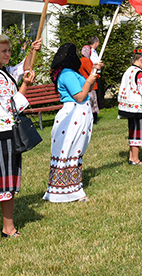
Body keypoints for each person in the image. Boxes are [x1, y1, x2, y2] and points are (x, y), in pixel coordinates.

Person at [0, 33, 38, 244]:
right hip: (2, 133)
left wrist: (32, 50)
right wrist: (26, 86)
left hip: (8, 131)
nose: (8, 54)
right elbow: (13, 106)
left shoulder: (2, 71)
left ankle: (8, 228)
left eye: (9, 50)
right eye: (3, 51)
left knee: (10, 182)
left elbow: (21, 68)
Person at [44, 43, 100, 203]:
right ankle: (72, 191)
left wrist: (93, 72)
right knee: (70, 152)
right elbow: (80, 96)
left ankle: (69, 188)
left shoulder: (70, 72)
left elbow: (86, 88)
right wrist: (89, 81)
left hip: (78, 114)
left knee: (75, 151)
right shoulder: (67, 74)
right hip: (73, 115)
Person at [117, 47, 142, 164]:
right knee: (138, 133)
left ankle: (131, 157)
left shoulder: (128, 71)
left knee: (132, 131)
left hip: (128, 106)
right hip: (138, 107)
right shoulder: (140, 74)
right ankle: (136, 159)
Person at [80, 35, 102, 118]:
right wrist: (97, 76)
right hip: (90, 83)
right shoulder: (87, 61)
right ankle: (94, 118)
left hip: (84, 83)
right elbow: (91, 72)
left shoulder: (81, 61)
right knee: (93, 101)